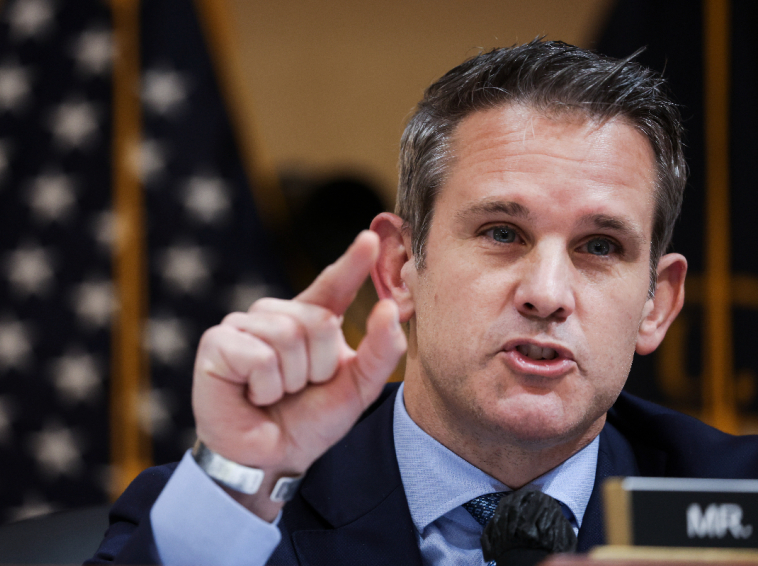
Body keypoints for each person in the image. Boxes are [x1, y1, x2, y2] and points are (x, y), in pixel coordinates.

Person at [88, 40, 758, 566]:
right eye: (502, 233)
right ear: (401, 267)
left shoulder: (738, 503)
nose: (547, 295)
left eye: (601, 247)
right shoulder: (247, 497)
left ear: (657, 304)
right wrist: (235, 487)